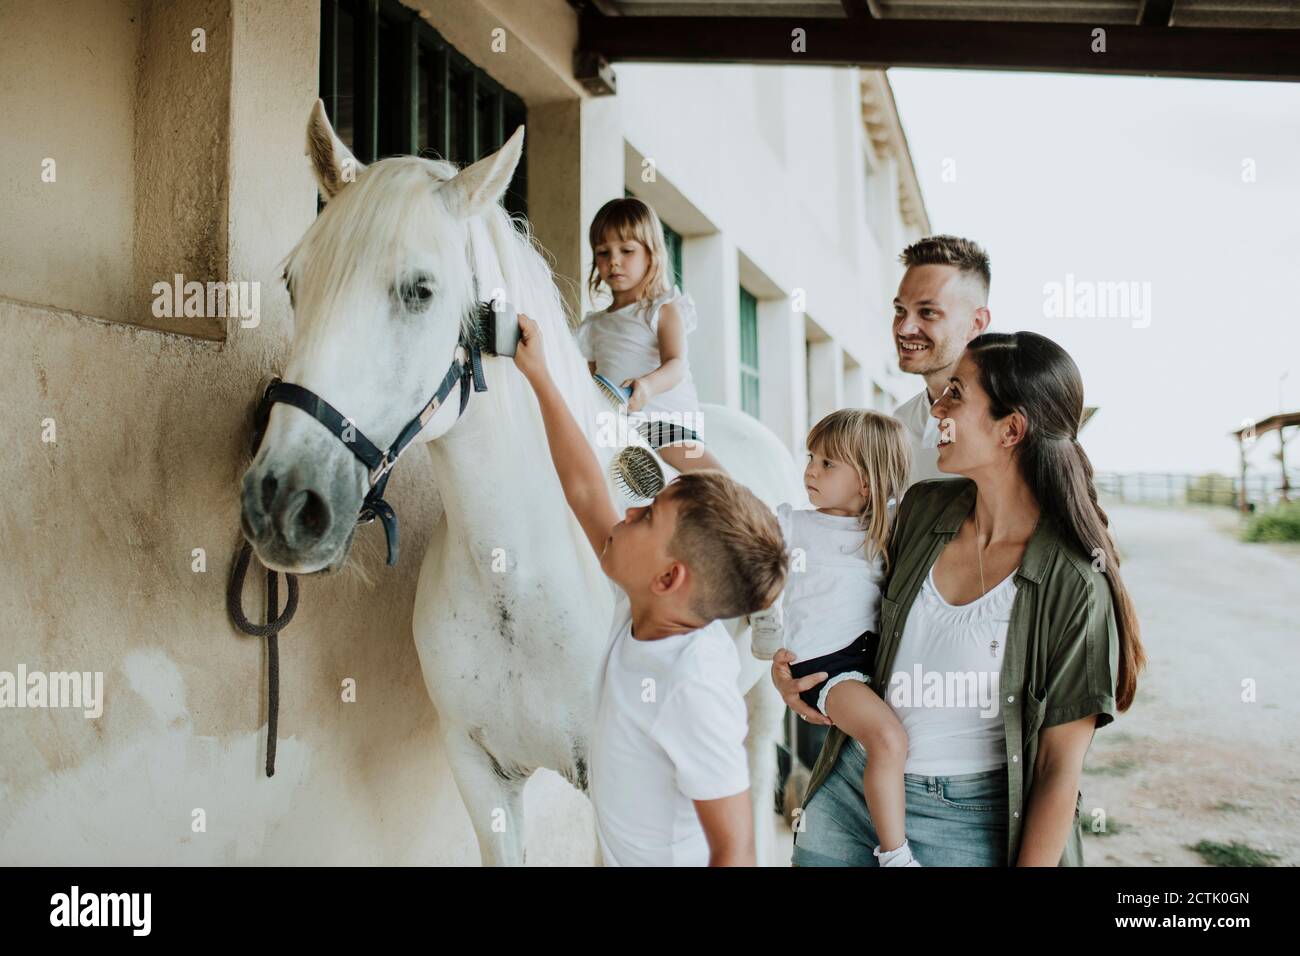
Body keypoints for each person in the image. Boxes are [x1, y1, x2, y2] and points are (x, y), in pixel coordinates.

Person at [776, 331, 1145, 866]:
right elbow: (834, 591)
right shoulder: (923, 509)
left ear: (1011, 429)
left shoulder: (1075, 583)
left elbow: (1058, 770)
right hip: (850, 792)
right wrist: (795, 672)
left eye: (955, 394)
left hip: (966, 821)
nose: (936, 408)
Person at [512, 310, 788, 866]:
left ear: (668, 578)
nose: (630, 508)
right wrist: (539, 374)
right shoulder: (640, 605)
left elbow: (735, 850)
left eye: (646, 517)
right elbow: (588, 491)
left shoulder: (695, 686)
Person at [750, 409, 917, 865]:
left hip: (867, 660)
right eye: (811, 457)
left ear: (866, 484)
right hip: (828, 667)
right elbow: (736, 516)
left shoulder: (889, 527)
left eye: (827, 463)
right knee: (888, 740)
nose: (809, 470)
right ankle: (895, 854)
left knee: (887, 742)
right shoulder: (794, 525)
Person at [574, 196, 727, 474]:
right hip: (616, 427)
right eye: (603, 252)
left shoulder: (662, 310)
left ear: (651, 254)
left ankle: (750, 516)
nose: (614, 262)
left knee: (718, 483)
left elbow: (676, 364)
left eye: (627, 250)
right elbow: (594, 383)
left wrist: (646, 386)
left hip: (664, 424)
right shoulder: (594, 326)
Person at [891, 235, 993, 486]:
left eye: (928, 312)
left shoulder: (1008, 423)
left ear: (976, 323)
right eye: (900, 310)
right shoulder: (901, 424)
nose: (904, 328)